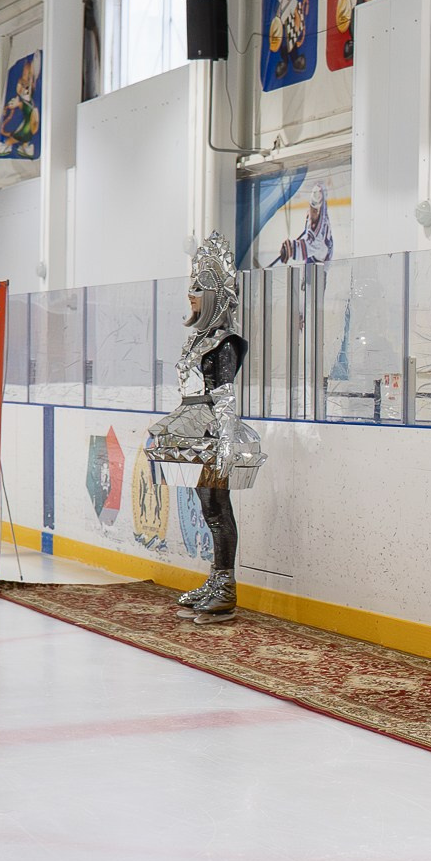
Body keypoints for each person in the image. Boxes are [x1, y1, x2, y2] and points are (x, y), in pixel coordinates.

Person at [144, 233, 265, 624]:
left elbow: (226, 398)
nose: (190, 295)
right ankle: (216, 581)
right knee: (208, 506)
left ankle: (226, 588)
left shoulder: (224, 343)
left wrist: (227, 442)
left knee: (218, 506)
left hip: (212, 431)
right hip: (194, 425)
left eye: (198, 288)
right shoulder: (200, 340)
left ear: (214, 295)